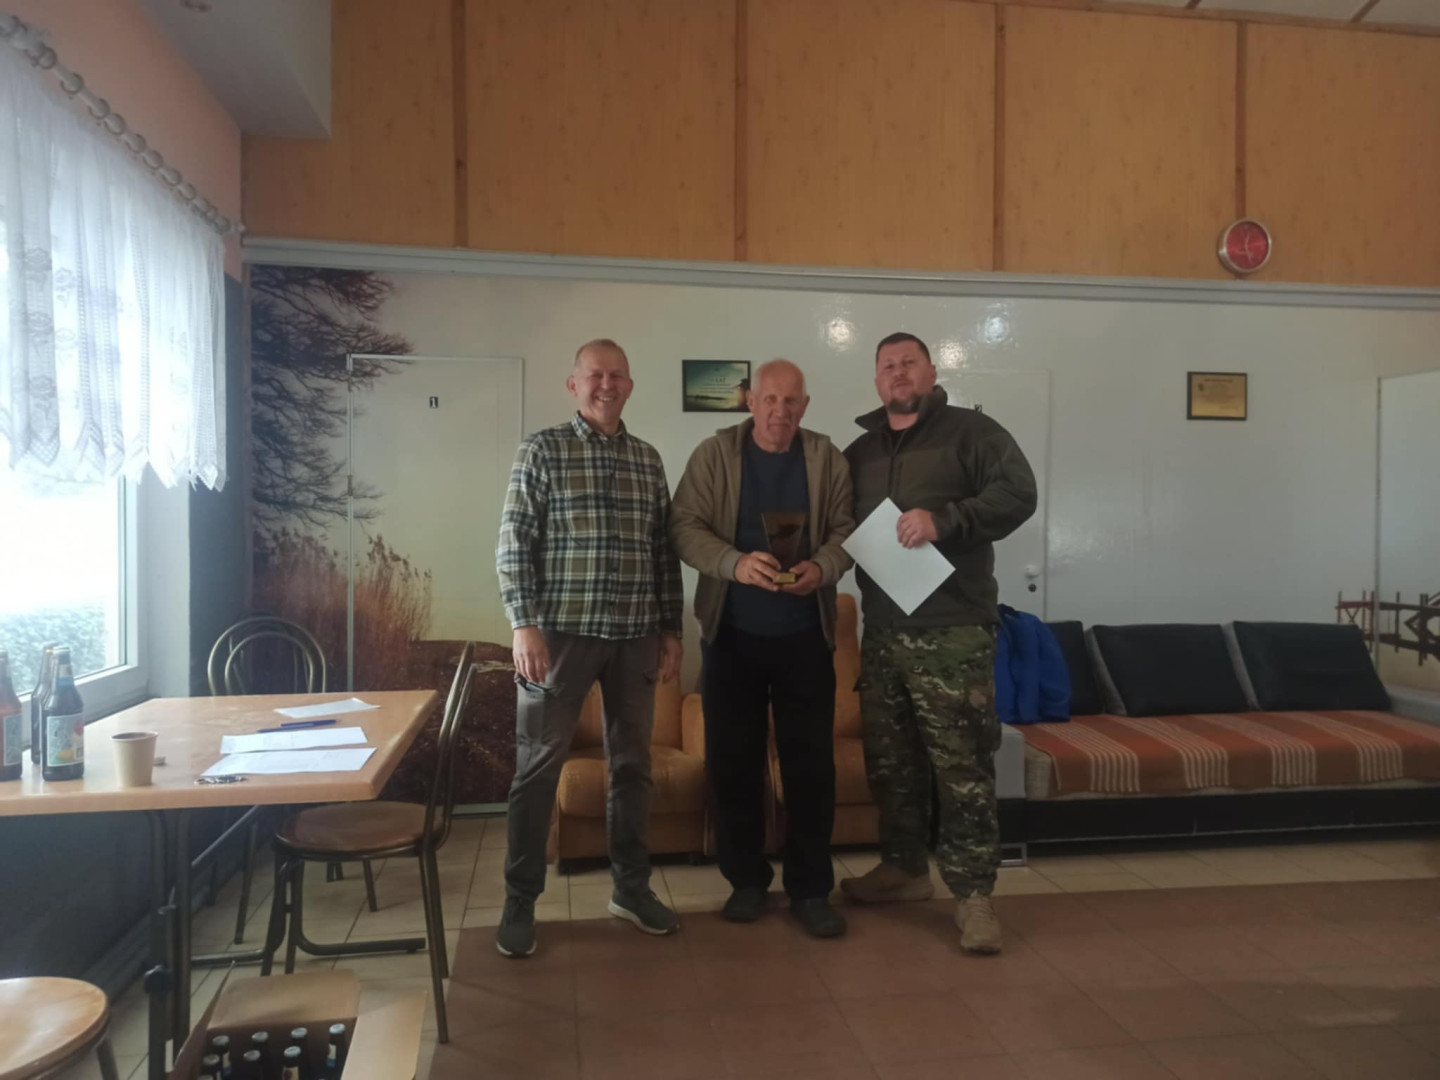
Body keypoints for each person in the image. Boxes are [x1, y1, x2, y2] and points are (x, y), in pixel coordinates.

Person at [840, 332, 1037, 954]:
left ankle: (974, 896)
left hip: (954, 631)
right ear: (876, 380)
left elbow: (1019, 494)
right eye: (887, 366)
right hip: (883, 632)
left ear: (931, 371)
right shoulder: (858, 452)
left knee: (962, 768)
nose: (898, 373)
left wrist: (945, 520)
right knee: (892, 764)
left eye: (909, 363)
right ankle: (903, 869)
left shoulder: (973, 433)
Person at [494, 338, 684, 957]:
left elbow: (663, 553)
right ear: (573, 384)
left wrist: (671, 630)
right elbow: (514, 541)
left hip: (635, 637)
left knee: (632, 767)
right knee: (536, 768)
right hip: (558, 638)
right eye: (595, 375)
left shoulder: (648, 460)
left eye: (617, 375)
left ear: (630, 385)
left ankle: (630, 890)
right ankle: (520, 900)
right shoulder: (542, 450)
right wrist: (523, 624)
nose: (607, 385)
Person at [670, 359, 855, 938]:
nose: (780, 411)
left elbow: (848, 531)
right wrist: (734, 563)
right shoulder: (713, 455)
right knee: (733, 764)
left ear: (805, 406)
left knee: (811, 768)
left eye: (791, 401)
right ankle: (746, 882)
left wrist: (821, 568)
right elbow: (683, 526)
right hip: (731, 636)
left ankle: (810, 889)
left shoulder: (828, 458)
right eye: (770, 399)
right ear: (750, 401)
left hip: (806, 637)